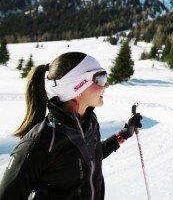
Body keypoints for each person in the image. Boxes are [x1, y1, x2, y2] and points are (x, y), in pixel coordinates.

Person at [0, 52, 142, 199]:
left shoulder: (90, 121)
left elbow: (91, 156)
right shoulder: (42, 140)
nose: (106, 84)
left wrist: (124, 133)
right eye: (100, 78)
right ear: (77, 87)